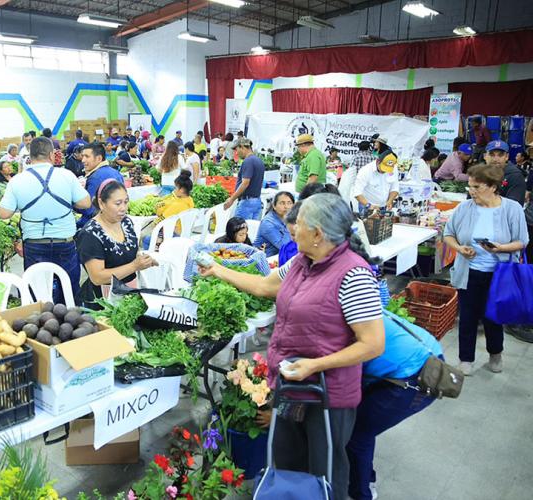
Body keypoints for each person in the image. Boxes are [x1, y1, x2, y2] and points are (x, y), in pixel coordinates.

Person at [200, 193, 385, 500]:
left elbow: (373, 343)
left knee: (324, 475)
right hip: (291, 387)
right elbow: (265, 286)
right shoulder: (303, 262)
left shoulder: (353, 275)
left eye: (298, 223)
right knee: (288, 468)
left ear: (318, 234)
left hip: (327, 395)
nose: (292, 229)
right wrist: (218, 270)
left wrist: (315, 365)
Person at [346, 311, 441, 500]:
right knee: (364, 425)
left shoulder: (336, 318)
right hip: (425, 349)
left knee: (357, 434)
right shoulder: (356, 300)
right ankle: (364, 479)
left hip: (415, 376)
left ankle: (362, 493)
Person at [443, 163, 528, 375]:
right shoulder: (464, 208)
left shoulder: (512, 209)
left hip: (499, 274)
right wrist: (460, 249)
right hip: (468, 272)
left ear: (492, 187)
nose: (472, 191)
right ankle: (465, 360)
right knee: (468, 317)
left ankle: (495, 355)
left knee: (493, 317)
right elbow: (448, 234)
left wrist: (500, 248)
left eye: (477, 187)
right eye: (469, 187)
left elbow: (522, 241)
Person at [0, 137, 91, 305]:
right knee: (68, 290)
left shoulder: (17, 180)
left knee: (38, 293)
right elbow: (85, 203)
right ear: (51, 154)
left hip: (34, 245)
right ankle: (71, 321)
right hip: (65, 243)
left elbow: (4, 213)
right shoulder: (66, 175)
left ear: (30, 155)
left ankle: (42, 323)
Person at [76, 180, 156, 308]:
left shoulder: (126, 222)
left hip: (129, 294)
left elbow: (129, 253)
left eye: (126, 202)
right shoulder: (90, 234)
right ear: (102, 203)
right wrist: (134, 266)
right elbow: (97, 277)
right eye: (118, 203)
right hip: (103, 302)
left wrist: (143, 260)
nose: (123, 208)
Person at [143, 171, 195, 249]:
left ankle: (154, 255)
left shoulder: (176, 205)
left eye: (175, 187)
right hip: (184, 234)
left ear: (181, 190)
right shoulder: (189, 200)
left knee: (146, 240)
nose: (174, 190)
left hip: (174, 235)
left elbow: (161, 219)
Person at [77, 142, 124, 228]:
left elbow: (89, 209)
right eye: (82, 156)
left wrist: (75, 203)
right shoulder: (115, 172)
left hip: (96, 226)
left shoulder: (95, 177)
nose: (83, 160)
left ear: (99, 158)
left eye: (87, 156)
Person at [224, 138, 265, 220]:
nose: (236, 153)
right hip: (256, 201)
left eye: (237, 149)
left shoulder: (248, 161)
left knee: (239, 229)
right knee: (251, 230)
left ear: (242, 147)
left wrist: (231, 199)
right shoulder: (259, 160)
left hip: (247, 203)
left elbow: (245, 183)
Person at [484, 140, 525, 206]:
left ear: (507, 157)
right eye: (492, 154)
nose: (495, 159)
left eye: (500, 155)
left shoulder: (515, 176)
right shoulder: (479, 173)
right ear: (485, 156)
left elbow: (513, 207)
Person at [254, 191, 295, 257]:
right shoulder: (267, 223)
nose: (286, 206)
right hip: (265, 260)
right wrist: (288, 222)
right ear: (274, 206)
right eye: (282, 203)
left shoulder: (291, 218)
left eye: (289, 203)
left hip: (281, 258)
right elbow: (284, 247)